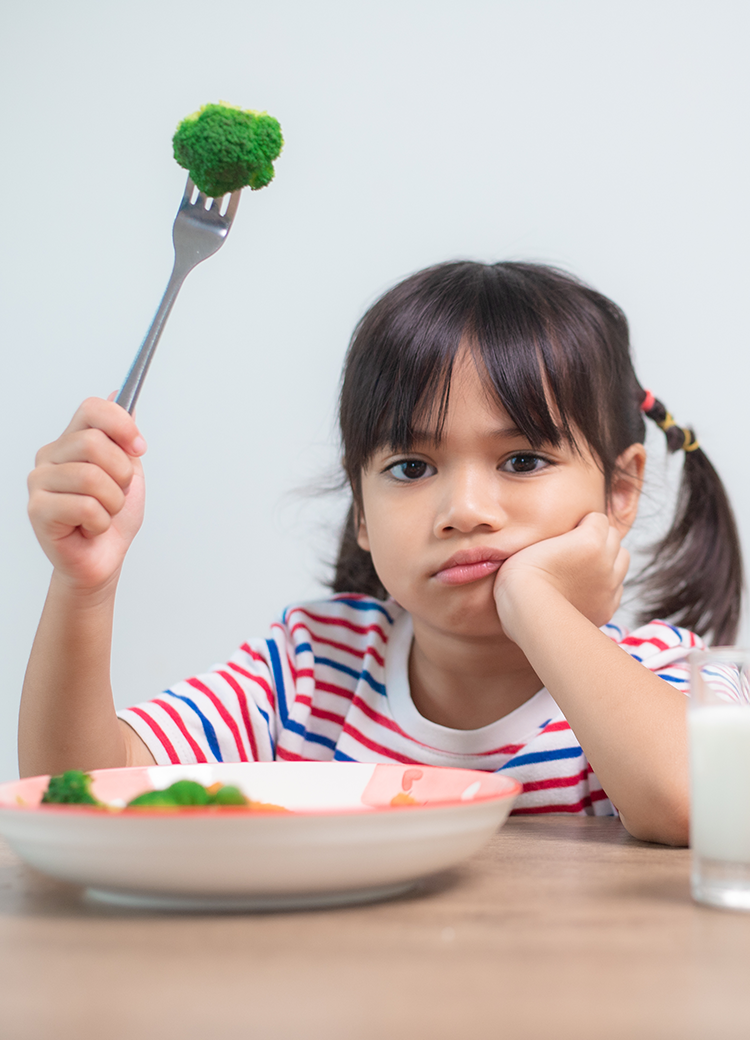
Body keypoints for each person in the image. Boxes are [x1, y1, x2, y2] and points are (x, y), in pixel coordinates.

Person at [20, 261, 743, 846]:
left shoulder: (659, 677)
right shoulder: (310, 671)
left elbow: (700, 808)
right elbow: (81, 792)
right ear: (361, 510)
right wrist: (85, 587)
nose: (465, 511)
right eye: (411, 469)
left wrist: (536, 605)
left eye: (522, 461)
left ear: (621, 493)